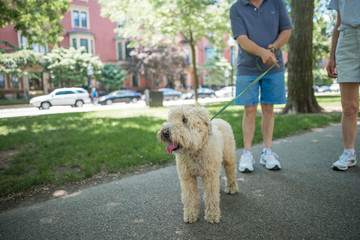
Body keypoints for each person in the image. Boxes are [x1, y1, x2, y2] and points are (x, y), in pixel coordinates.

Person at [230, 0, 292, 172]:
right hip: (247, 68)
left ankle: (267, 152)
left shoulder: (276, 3)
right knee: (249, 109)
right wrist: (263, 52)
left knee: (268, 108)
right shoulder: (237, 8)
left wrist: (274, 47)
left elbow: (286, 29)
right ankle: (247, 153)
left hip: (273, 66)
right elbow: (242, 39)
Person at [326, 0, 359, 171]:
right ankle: (349, 153)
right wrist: (332, 57)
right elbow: (338, 21)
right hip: (347, 40)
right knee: (349, 107)